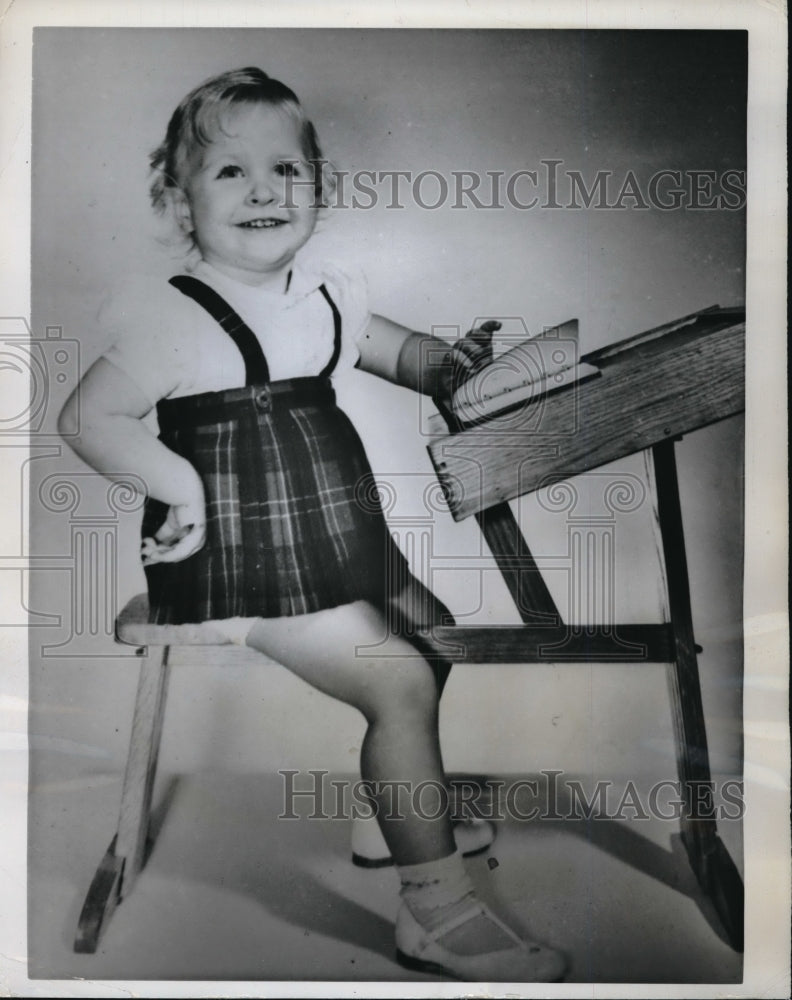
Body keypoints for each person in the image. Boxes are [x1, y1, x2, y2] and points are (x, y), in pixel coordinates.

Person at [58, 66, 566, 982]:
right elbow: (86, 418)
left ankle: (389, 812)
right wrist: (180, 486)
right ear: (178, 201)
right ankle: (436, 913)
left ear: (318, 187)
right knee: (400, 685)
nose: (264, 191)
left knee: (433, 632)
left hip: (333, 538)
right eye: (229, 173)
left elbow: (403, 356)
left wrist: (454, 362)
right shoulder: (170, 316)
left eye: (286, 170)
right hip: (236, 564)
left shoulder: (326, 295)